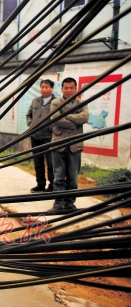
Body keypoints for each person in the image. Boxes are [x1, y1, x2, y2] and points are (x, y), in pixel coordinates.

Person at [47, 77, 89, 214]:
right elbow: (55, 119)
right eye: (66, 88)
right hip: (58, 144)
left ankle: (70, 204)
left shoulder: (81, 103)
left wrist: (66, 115)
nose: (69, 90)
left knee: (72, 177)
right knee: (58, 176)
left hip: (75, 145)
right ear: (62, 89)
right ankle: (58, 204)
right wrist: (74, 120)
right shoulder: (55, 102)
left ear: (76, 88)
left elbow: (85, 118)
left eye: (72, 87)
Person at [26, 79, 56, 193]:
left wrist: (51, 128)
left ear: (51, 88)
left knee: (51, 163)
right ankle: (40, 184)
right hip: (35, 136)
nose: (44, 89)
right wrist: (31, 124)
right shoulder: (35, 101)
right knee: (38, 162)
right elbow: (28, 115)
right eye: (42, 87)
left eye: (47, 87)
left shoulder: (55, 102)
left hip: (49, 137)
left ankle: (52, 185)